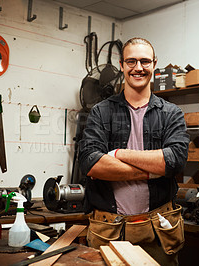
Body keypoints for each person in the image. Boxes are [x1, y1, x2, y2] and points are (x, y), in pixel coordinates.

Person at [78, 37, 189, 265]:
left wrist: (119, 154)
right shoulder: (101, 112)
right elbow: (91, 163)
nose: (138, 68)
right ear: (121, 65)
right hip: (109, 229)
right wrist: (151, 170)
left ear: (154, 64)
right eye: (131, 61)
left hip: (159, 230)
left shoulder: (171, 113)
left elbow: (175, 161)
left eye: (145, 61)